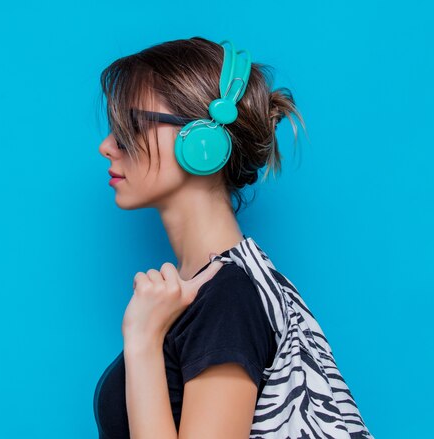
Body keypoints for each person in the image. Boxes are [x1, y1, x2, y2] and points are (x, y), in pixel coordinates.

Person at [94, 36, 306, 438]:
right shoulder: (205, 289)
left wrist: (142, 339)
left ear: (202, 143)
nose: (107, 146)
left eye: (130, 127)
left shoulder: (229, 297)